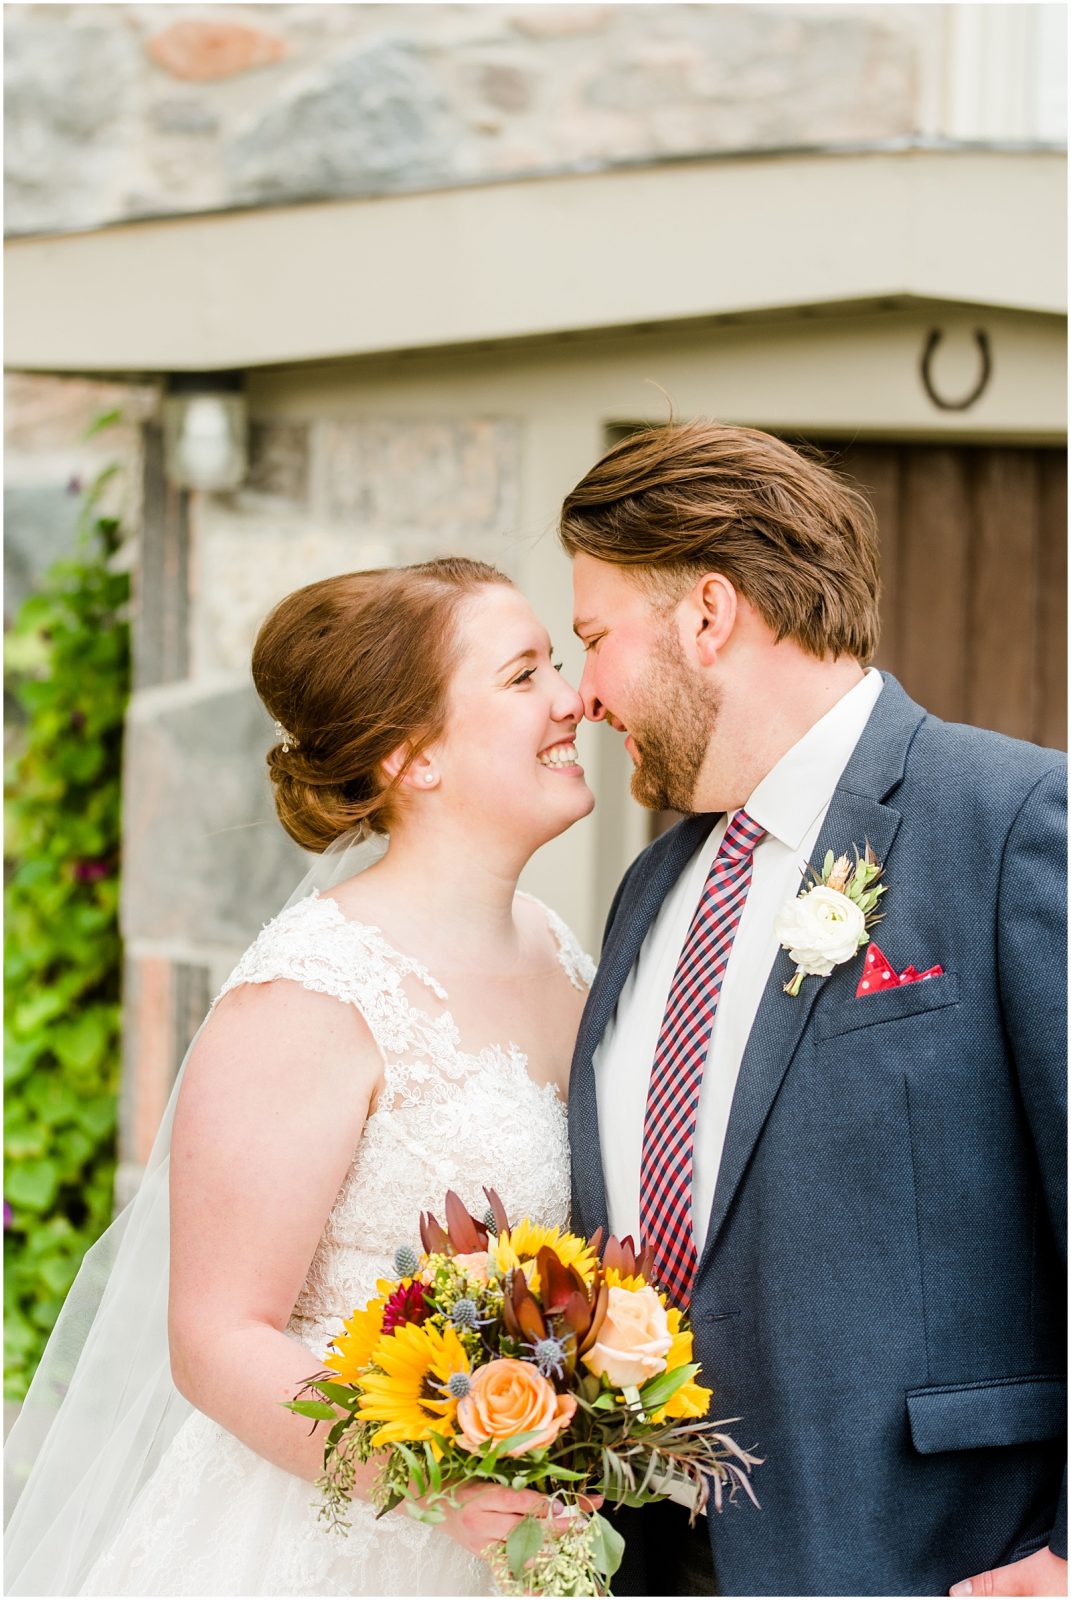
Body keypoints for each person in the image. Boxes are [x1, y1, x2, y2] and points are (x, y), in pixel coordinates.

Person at [5, 557, 597, 1596]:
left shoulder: (566, 955)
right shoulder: (312, 991)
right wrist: (436, 1481)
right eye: (522, 676)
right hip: (325, 1542)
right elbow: (215, 1338)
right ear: (412, 755)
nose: (572, 698)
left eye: (559, 663)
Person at [560, 422, 1067, 1598]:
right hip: (655, 1562)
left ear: (707, 614)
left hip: (926, 1557)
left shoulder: (1013, 821)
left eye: (594, 639)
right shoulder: (651, 887)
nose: (582, 693)